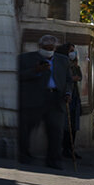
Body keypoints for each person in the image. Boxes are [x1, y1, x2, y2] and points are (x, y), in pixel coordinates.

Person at [18, 34, 70, 170]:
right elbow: (19, 75)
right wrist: (36, 71)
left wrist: (68, 93)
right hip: (34, 98)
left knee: (56, 130)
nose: (48, 50)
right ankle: (23, 154)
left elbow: (68, 80)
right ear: (39, 46)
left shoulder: (63, 60)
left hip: (55, 98)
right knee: (27, 128)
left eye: (51, 47)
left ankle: (54, 159)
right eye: (45, 47)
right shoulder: (26, 58)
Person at [57, 42, 83, 159]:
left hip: (75, 96)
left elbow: (79, 76)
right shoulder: (61, 63)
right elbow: (62, 78)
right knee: (65, 125)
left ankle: (71, 148)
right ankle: (63, 148)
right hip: (65, 96)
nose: (73, 53)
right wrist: (71, 78)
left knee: (73, 125)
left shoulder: (74, 65)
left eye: (73, 50)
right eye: (71, 50)